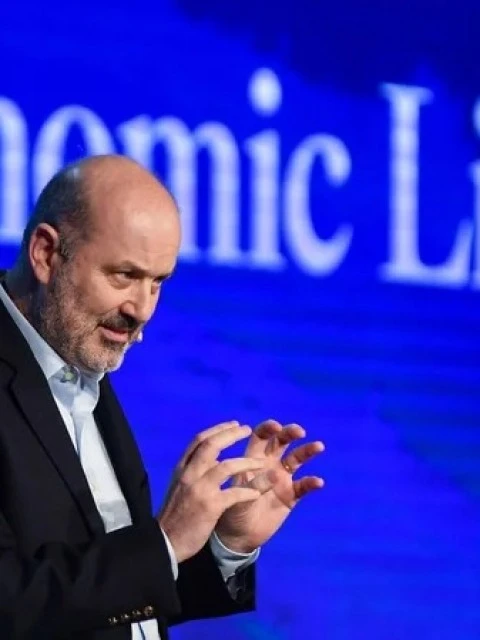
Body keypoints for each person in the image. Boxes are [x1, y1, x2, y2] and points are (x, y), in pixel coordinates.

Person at [0, 154, 325, 639]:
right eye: (124, 276)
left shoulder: (80, 361)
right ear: (46, 254)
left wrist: (223, 545)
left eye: (157, 283)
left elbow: (116, 601)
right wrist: (165, 540)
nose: (142, 309)